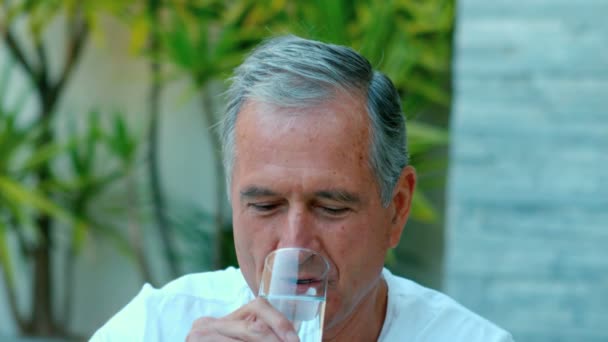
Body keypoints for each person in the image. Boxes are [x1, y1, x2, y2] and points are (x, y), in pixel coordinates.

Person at [91, 35, 512, 341]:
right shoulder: (157, 326)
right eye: (265, 204)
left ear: (397, 209)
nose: (294, 245)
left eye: (331, 207)